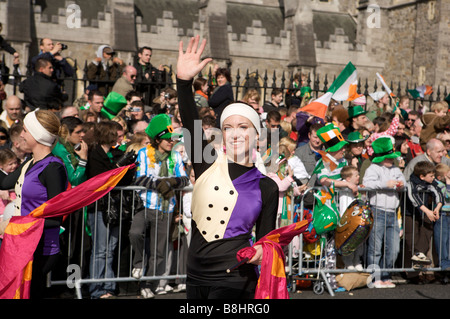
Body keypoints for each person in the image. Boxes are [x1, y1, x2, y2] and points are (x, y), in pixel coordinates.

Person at [176, 36, 279, 299]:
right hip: (195, 275)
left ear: (257, 135)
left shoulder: (266, 186)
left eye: (243, 127)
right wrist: (183, 82)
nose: (234, 134)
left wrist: (261, 252)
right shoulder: (206, 162)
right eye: (228, 128)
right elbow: (190, 123)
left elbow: (266, 241)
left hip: (234, 277)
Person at [0, 110, 68, 298]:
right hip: (23, 244)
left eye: (25, 131)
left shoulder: (53, 167)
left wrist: (15, 224)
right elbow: (4, 183)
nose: (21, 134)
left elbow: (55, 218)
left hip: (42, 246)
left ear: (37, 136)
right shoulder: (30, 162)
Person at [129, 114, 189, 299]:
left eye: (173, 139)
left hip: (166, 209)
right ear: (157, 139)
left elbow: (184, 179)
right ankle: (138, 263)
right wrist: (160, 185)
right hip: (145, 205)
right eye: (167, 139)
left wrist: (170, 182)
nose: (171, 142)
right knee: (135, 233)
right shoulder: (143, 153)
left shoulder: (176, 156)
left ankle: (147, 284)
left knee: (159, 252)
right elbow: (139, 177)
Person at [85, 120, 135, 299]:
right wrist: (117, 168)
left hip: (115, 206)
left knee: (110, 249)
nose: (121, 138)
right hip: (99, 207)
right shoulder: (94, 154)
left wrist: (129, 167)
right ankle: (96, 289)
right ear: (108, 135)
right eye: (117, 134)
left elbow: (123, 181)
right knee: (100, 250)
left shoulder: (116, 152)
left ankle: (108, 287)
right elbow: (101, 179)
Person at [362, 136, 406, 288]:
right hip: (377, 211)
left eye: (391, 157)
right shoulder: (372, 169)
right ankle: (374, 278)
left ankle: (386, 275)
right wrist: (385, 184)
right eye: (387, 157)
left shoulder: (395, 169)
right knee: (375, 248)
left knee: (394, 248)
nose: (390, 160)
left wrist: (401, 185)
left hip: (392, 213)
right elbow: (367, 184)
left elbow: (403, 182)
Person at [405, 161, 443, 269]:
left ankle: (419, 255)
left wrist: (437, 207)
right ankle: (413, 271)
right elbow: (414, 198)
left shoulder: (431, 182)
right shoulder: (410, 183)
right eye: (431, 176)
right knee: (411, 237)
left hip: (425, 211)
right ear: (422, 176)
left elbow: (439, 192)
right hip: (410, 213)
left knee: (428, 227)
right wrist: (427, 211)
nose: (433, 178)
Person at [338, 165, 364, 271]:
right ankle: (348, 262)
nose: (358, 177)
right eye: (356, 175)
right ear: (348, 179)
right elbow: (344, 206)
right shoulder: (344, 188)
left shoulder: (357, 188)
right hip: (348, 220)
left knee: (359, 242)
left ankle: (357, 261)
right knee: (349, 242)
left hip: (358, 220)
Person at [52, 116, 88, 187]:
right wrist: (83, 159)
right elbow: (74, 180)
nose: (83, 134)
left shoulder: (74, 147)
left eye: (83, 131)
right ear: (66, 134)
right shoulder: (62, 152)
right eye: (78, 132)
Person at [434, 163, 450, 272]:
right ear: (440, 177)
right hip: (443, 215)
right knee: (442, 241)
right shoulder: (439, 184)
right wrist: (448, 183)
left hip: (448, 215)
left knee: (448, 241)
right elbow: (447, 195)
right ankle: (444, 264)